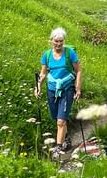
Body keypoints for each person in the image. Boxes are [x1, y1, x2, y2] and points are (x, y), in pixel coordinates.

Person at [34, 27, 81, 157]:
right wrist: (38, 87)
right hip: (52, 90)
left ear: (64, 41)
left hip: (67, 89)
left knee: (61, 121)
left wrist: (78, 88)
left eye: (61, 41)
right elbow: (43, 74)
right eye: (56, 41)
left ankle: (58, 148)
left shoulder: (69, 53)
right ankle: (66, 138)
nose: (58, 44)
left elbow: (78, 71)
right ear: (51, 41)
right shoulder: (47, 55)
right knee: (56, 118)